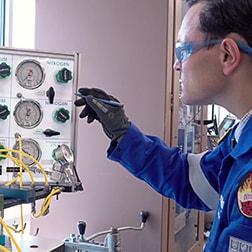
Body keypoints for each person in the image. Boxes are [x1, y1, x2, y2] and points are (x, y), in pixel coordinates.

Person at [74, 0, 252, 251]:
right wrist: (123, 133)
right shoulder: (241, 138)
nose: (176, 65)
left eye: (183, 51)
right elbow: (191, 180)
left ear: (227, 55)